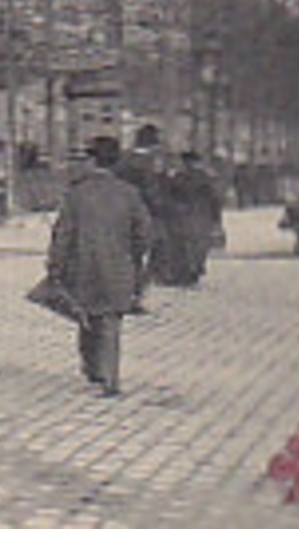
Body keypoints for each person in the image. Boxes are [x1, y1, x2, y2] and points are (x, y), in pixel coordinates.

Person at [47, 136, 152, 397]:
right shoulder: (129, 193)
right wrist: (134, 259)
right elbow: (145, 233)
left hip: (83, 267)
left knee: (87, 316)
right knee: (111, 321)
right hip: (119, 268)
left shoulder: (76, 194)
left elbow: (62, 235)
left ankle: (93, 367)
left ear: (93, 161)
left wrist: (55, 266)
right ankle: (110, 377)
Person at [116, 124, 179, 286]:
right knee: (156, 242)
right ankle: (153, 276)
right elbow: (152, 189)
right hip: (146, 210)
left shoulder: (124, 160)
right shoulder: (149, 163)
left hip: (123, 209)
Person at [170, 151, 223, 286]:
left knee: (187, 244)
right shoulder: (207, 177)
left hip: (185, 215)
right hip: (202, 215)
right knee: (199, 245)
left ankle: (189, 271)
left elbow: (171, 196)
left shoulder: (178, 177)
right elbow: (215, 200)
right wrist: (216, 218)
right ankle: (195, 270)